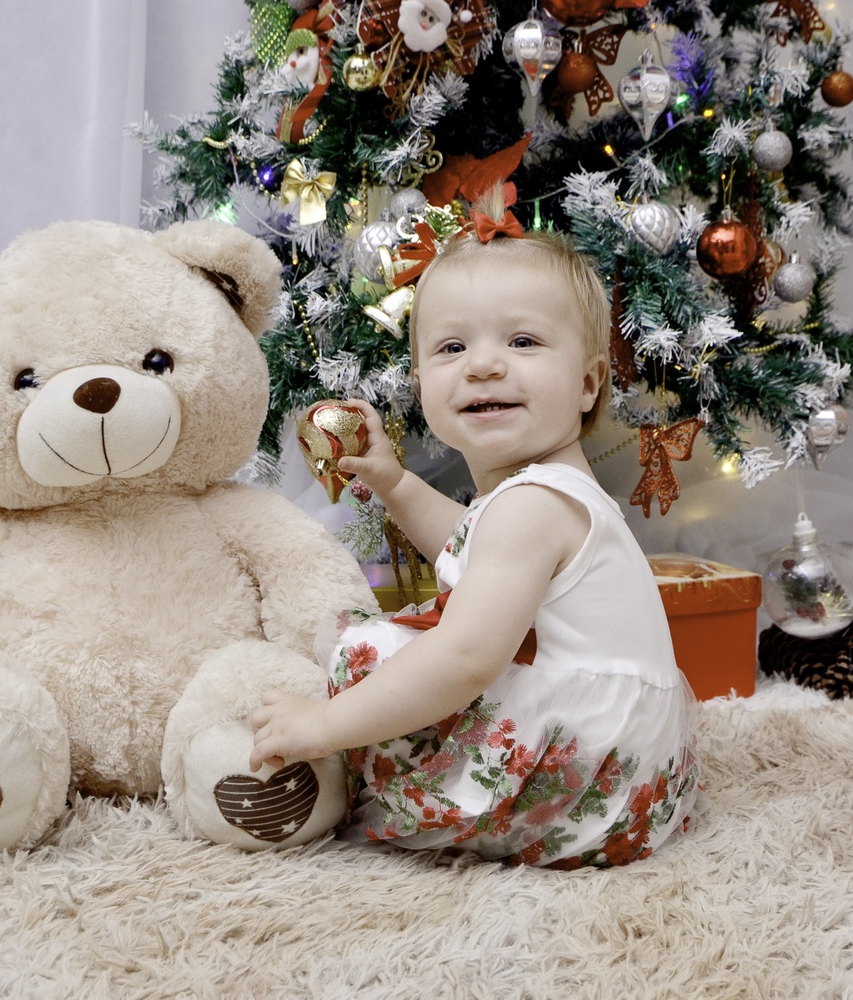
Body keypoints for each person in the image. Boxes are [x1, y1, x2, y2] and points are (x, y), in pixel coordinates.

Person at [249, 198, 699, 868]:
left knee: (371, 649)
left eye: (523, 342)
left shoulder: (531, 506)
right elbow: (469, 547)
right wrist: (396, 483)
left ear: (587, 383)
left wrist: (326, 725)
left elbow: (466, 659)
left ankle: (343, 763)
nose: (483, 365)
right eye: (452, 348)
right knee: (416, 650)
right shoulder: (546, 495)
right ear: (421, 383)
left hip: (577, 781)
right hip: (632, 783)